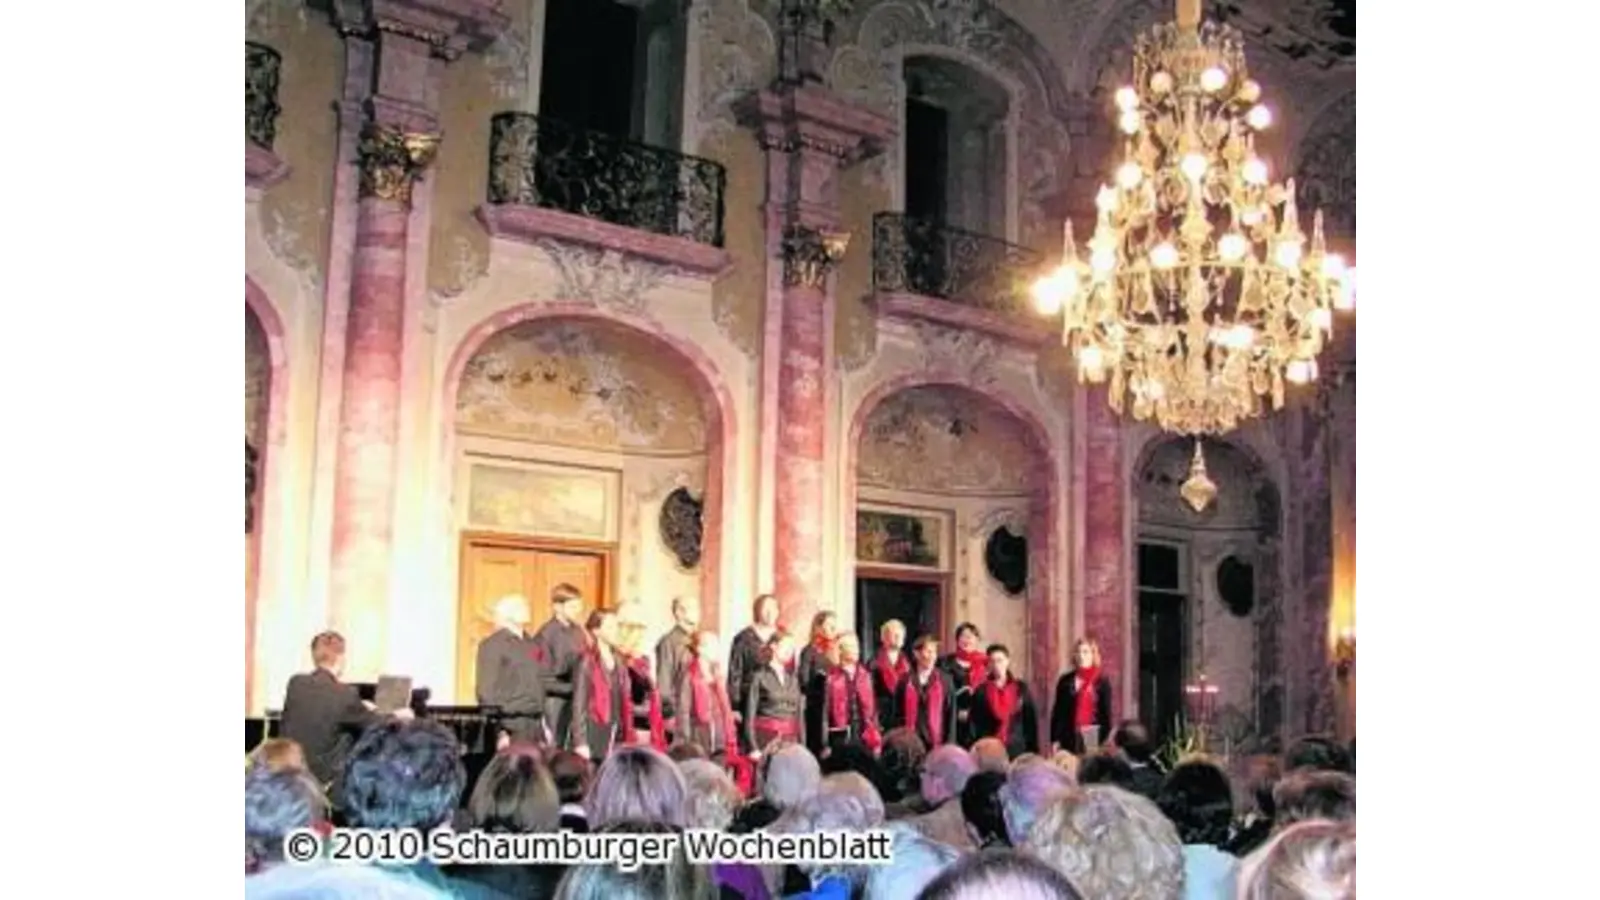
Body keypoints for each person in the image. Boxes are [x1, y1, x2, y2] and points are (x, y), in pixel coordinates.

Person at [278, 631, 411, 796]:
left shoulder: (296, 684)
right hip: (324, 782)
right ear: (340, 658)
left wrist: (359, 706)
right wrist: (398, 715)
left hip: (290, 774)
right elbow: (374, 723)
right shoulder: (345, 695)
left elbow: (324, 705)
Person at [475, 594, 547, 745]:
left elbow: (537, 685)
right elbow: (486, 693)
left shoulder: (531, 643)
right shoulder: (493, 645)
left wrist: (544, 725)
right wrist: (500, 731)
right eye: (520, 606)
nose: (527, 608)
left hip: (534, 726)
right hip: (510, 726)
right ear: (506, 614)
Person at [568, 609, 634, 761]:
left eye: (617, 626)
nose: (616, 631)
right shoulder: (587, 661)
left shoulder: (619, 659)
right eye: (611, 627)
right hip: (594, 729)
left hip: (615, 728)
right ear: (596, 631)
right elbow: (579, 704)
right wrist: (580, 742)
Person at [529, 584, 588, 749]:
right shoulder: (546, 634)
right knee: (555, 748)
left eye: (580, 606)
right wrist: (574, 688)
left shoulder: (579, 631)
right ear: (557, 607)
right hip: (555, 704)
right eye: (573, 606)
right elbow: (542, 678)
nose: (578, 610)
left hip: (576, 701)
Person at [969, 644, 1039, 758]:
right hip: (990, 750)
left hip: (1017, 749)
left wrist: (1033, 750)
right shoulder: (981, 691)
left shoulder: (1020, 688)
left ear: (1007, 661)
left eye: (1000, 660)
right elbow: (975, 724)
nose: (996, 665)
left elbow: (1030, 721)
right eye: (992, 661)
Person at [743, 633, 804, 757]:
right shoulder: (759, 676)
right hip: (766, 739)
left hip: (790, 740)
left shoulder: (793, 680)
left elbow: (799, 716)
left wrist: (803, 745)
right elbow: (749, 714)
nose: (790, 651)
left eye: (792, 648)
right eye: (786, 646)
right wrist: (753, 747)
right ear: (774, 646)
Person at [1050, 637, 1113, 754]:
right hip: (1069, 735)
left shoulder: (1101, 681)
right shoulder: (1065, 680)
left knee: (1088, 769)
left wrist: (1103, 741)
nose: (1081, 656)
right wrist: (1055, 739)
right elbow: (1058, 712)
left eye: (1085, 652)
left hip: (1092, 735)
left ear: (1092, 655)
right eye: (1078, 652)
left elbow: (1106, 714)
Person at [822, 633, 881, 753]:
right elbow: (825, 713)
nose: (856, 650)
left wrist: (876, 738)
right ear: (841, 650)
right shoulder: (831, 678)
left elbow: (873, 711)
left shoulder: (865, 676)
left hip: (863, 733)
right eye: (851, 646)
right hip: (841, 733)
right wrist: (825, 743)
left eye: (856, 646)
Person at [895, 634, 956, 750]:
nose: (932, 656)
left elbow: (950, 714)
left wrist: (949, 744)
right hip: (911, 741)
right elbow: (897, 714)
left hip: (937, 742)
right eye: (928, 651)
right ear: (916, 654)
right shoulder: (904, 680)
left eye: (934, 652)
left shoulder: (945, 680)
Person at [727, 594, 781, 718]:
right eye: (765, 608)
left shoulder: (782, 637)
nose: (770, 613)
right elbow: (735, 673)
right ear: (757, 611)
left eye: (773, 608)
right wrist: (734, 705)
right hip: (750, 699)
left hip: (776, 702)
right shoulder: (743, 638)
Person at [939, 622, 989, 747]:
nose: (967, 640)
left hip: (978, 718)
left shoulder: (986, 663)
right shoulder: (944, 663)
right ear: (957, 639)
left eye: (971, 636)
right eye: (963, 636)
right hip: (952, 718)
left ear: (977, 640)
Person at [796, 610, 839, 753]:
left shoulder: (837, 649)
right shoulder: (809, 651)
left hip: (836, 708)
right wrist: (821, 680)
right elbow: (803, 682)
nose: (834, 628)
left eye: (835, 625)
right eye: (830, 625)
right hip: (817, 710)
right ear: (819, 627)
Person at [654, 596, 698, 737]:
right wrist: (668, 713)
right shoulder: (669, 642)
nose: (698, 612)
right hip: (679, 713)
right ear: (679, 612)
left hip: (697, 712)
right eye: (693, 608)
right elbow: (664, 679)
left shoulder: (697, 639)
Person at [869, 619, 910, 732]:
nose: (898, 637)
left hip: (904, 717)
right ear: (884, 638)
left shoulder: (909, 663)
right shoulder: (874, 663)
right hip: (882, 718)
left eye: (901, 635)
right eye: (894, 634)